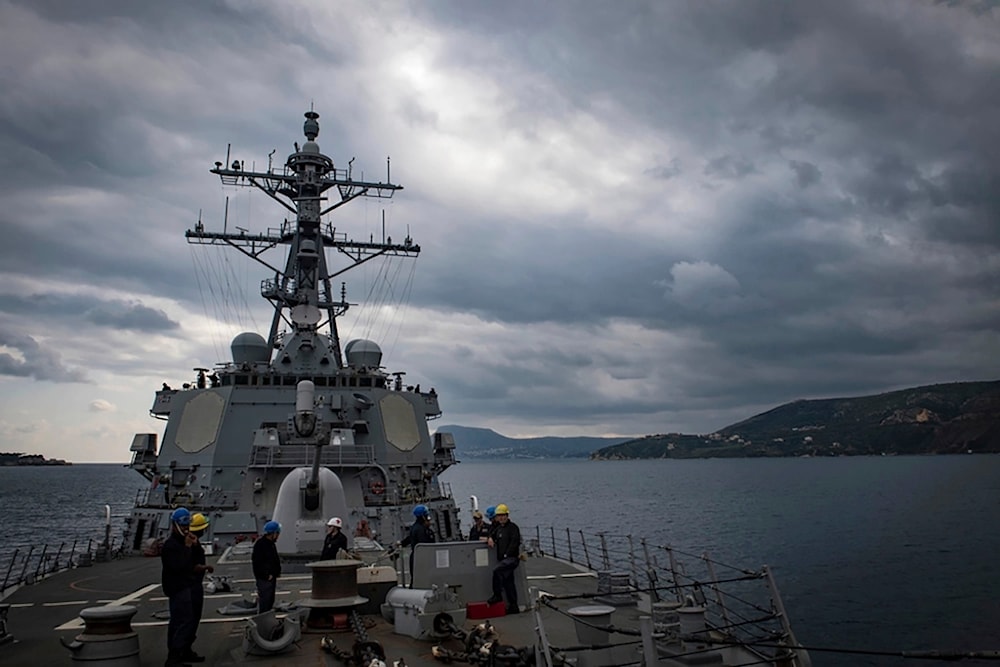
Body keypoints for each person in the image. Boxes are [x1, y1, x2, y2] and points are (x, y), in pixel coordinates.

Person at [160, 507, 198, 666]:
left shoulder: (182, 542)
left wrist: (193, 545)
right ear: (175, 525)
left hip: (185, 586)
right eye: (183, 525)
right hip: (177, 588)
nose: (186, 528)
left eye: (187, 524)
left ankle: (182, 652)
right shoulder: (170, 546)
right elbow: (179, 566)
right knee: (180, 622)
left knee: (186, 620)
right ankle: (174, 658)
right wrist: (188, 547)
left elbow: (191, 562)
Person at [185, 513, 214, 663]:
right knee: (190, 619)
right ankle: (182, 652)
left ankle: (186, 650)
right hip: (191, 586)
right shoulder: (190, 544)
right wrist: (205, 567)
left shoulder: (193, 542)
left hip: (193, 584)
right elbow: (190, 565)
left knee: (192, 619)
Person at [486, 503, 521, 614]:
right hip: (504, 560)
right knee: (508, 582)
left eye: (503, 515)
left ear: (507, 515)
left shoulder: (513, 528)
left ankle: (497, 595)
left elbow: (515, 543)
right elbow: (492, 534)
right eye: (499, 516)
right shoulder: (499, 529)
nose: (501, 518)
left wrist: (506, 554)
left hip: (511, 559)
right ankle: (514, 606)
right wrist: (490, 538)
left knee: (496, 571)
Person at [252, 521, 282, 613]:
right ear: (273, 533)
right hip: (265, 579)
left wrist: (276, 572)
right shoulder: (261, 545)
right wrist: (266, 575)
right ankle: (262, 624)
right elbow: (257, 563)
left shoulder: (271, 544)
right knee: (265, 602)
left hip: (270, 578)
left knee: (269, 601)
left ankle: (267, 623)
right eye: (277, 533)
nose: (278, 536)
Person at [404, 504, 435, 586]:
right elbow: (425, 544)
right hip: (421, 558)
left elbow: (409, 539)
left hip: (416, 557)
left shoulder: (416, 527)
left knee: (415, 580)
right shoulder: (421, 529)